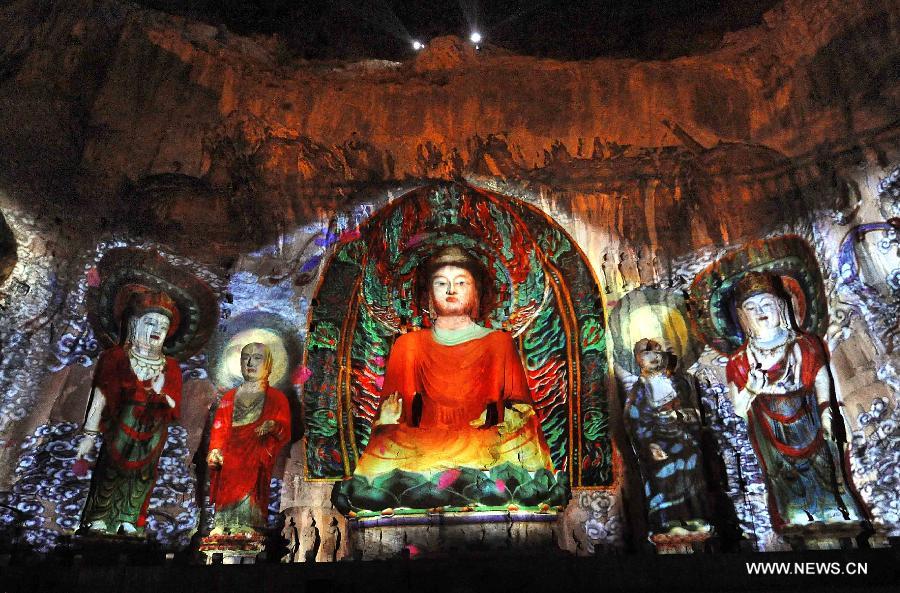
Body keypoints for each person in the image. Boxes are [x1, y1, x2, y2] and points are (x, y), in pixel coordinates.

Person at [351, 245, 553, 487]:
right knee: (386, 448)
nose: (450, 290)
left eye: (461, 283)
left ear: (477, 292)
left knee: (522, 443)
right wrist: (387, 419)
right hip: (421, 444)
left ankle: (436, 479)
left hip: (484, 441)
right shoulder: (408, 345)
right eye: (440, 283)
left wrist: (510, 418)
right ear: (428, 295)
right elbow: (396, 417)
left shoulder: (499, 343)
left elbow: (520, 409)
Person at [725, 272, 864, 530]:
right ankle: (796, 513)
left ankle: (833, 509)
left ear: (781, 306)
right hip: (769, 429)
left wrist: (826, 411)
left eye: (766, 304)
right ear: (742, 316)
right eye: (751, 307)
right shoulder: (739, 360)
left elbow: (822, 379)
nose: (760, 312)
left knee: (823, 467)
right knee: (783, 475)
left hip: (808, 418)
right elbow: (738, 408)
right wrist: (752, 390)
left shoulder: (804, 344)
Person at [76, 290, 183, 535]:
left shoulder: (171, 367)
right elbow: (100, 394)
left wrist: (159, 394)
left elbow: (174, 405)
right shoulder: (115, 357)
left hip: (152, 429)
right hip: (119, 427)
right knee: (110, 471)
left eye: (163, 325)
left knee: (143, 476)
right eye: (150, 322)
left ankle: (130, 516)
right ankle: (99, 517)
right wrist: (89, 434)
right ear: (134, 324)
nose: (157, 329)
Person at [624, 338, 711, 537]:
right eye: (646, 353)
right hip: (657, 442)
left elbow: (692, 410)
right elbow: (634, 419)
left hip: (682, 438)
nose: (653, 357)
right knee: (664, 477)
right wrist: (650, 443)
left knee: (692, 467)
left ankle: (694, 515)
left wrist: (685, 418)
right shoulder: (639, 390)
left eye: (657, 352)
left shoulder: (678, 384)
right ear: (638, 359)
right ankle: (667, 520)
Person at [207, 343, 291, 534]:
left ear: (268, 364)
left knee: (251, 490)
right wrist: (215, 450)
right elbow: (219, 428)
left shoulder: (277, 398)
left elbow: (285, 431)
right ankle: (222, 522)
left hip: (256, 454)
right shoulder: (229, 397)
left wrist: (273, 426)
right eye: (245, 357)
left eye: (257, 358)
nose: (250, 362)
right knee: (226, 488)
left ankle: (248, 523)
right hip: (230, 455)